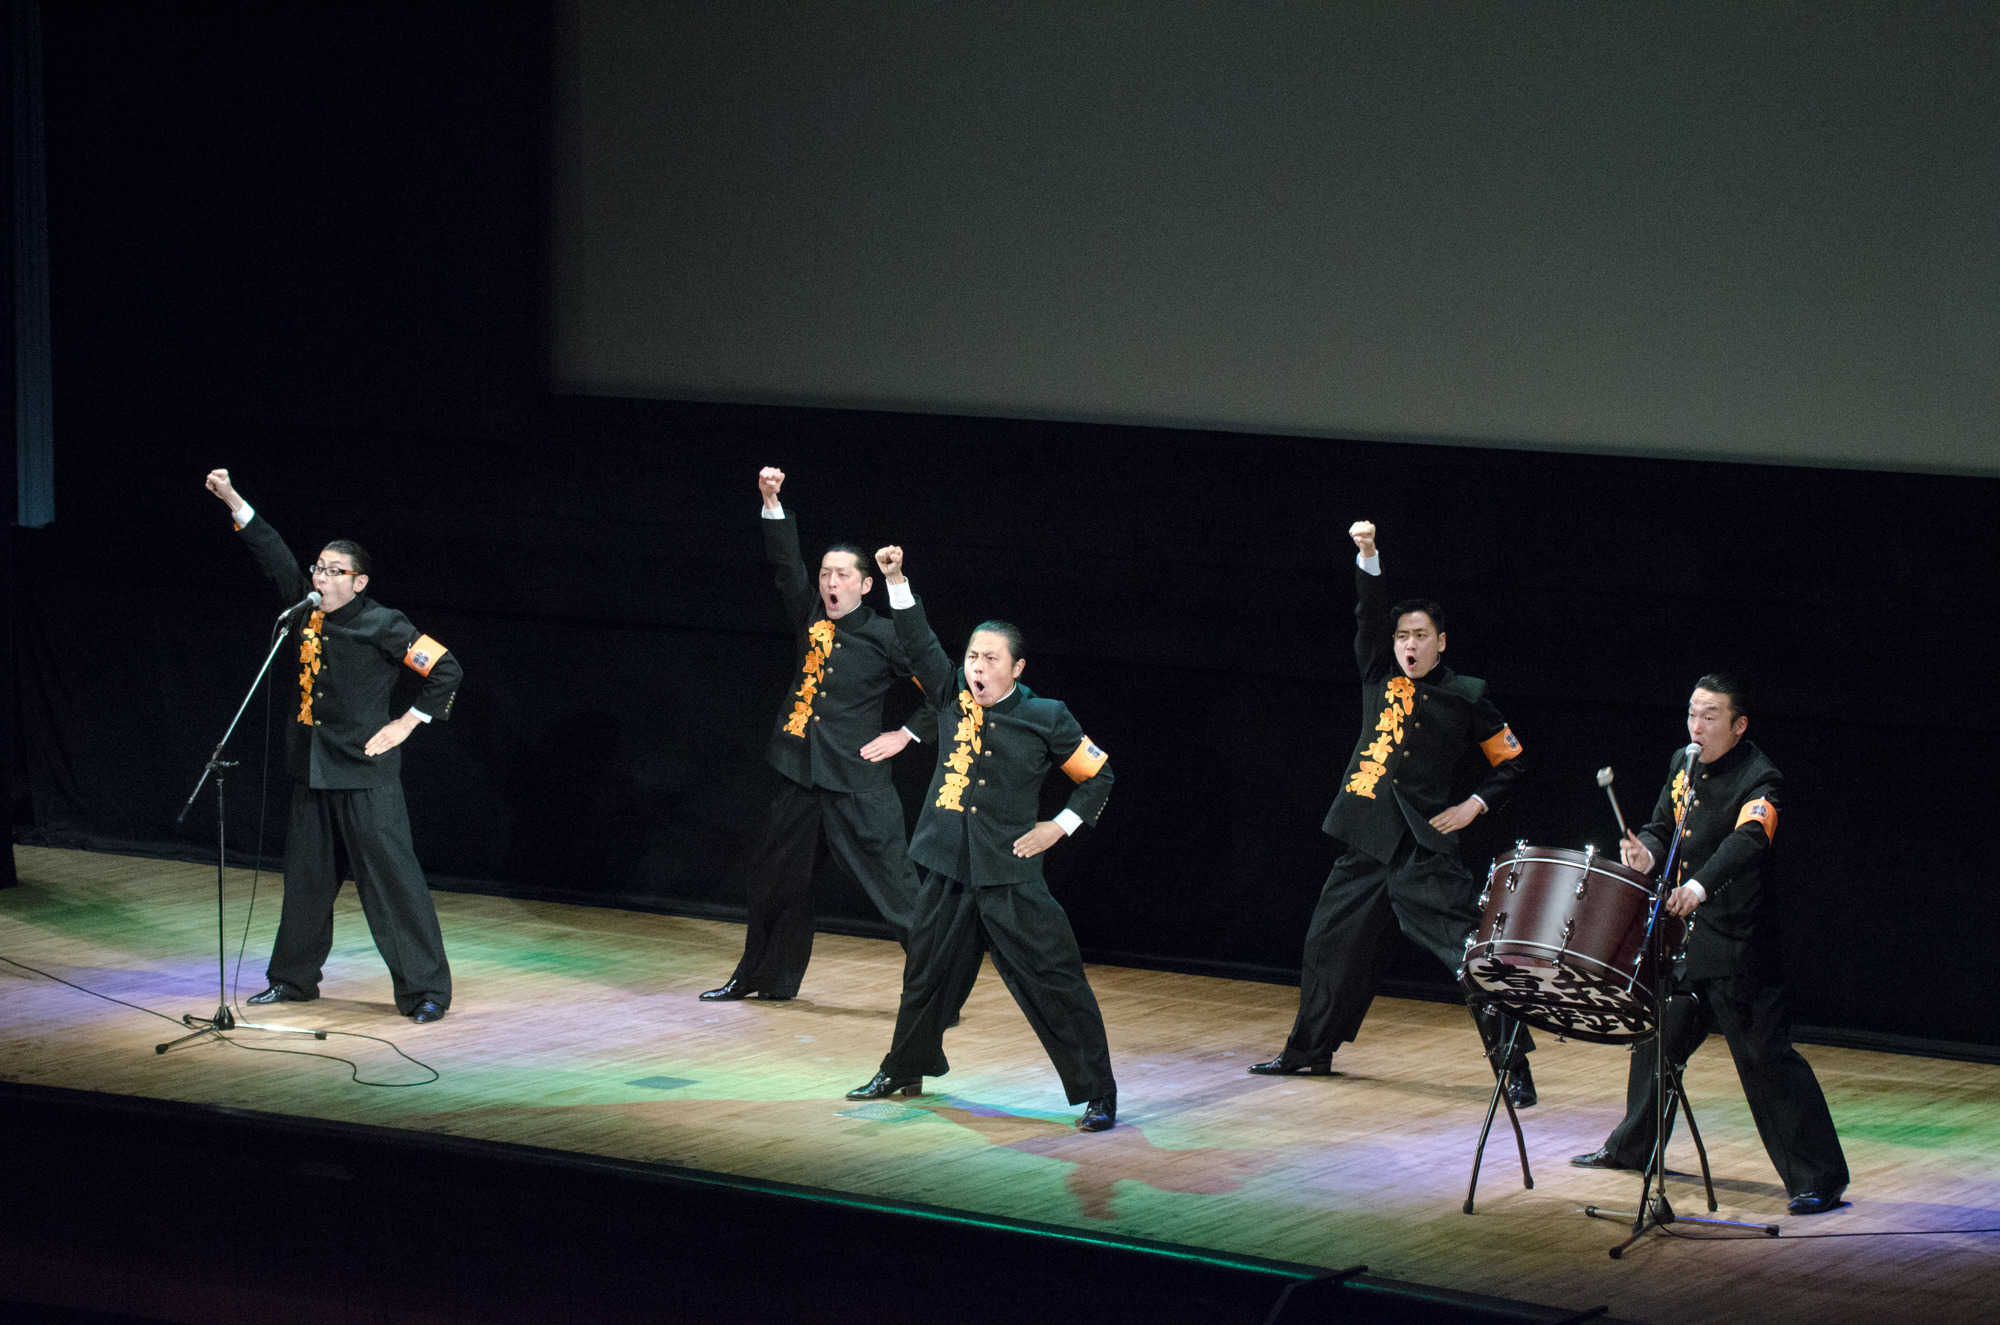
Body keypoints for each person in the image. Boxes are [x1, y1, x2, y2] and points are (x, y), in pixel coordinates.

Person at [1249, 520, 1537, 1105]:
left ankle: (1513, 1068)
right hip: (1366, 839)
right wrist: (1369, 555)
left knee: (1467, 952)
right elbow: (1367, 611)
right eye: (1402, 634)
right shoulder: (1378, 673)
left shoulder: (1469, 694)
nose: (1408, 643)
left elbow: (1511, 763)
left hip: (1424, 847)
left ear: (1441, 641)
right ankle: (1309, 1051)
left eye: (1420, 635)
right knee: (1329, 943)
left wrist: (1472, 806)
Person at [844, 544, 1119, 1132]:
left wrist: (1058, 826)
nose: (977, 668)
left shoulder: (1047, 716)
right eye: (972, 656)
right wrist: (895, 580)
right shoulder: (949, 696)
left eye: (990, 659)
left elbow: (1100, 777)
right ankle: (904, 1068)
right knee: (926, 974)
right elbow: (919, 642)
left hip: (1010, 873)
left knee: (1054, 980)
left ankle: (1098, 1092)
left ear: (1017, 668)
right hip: (947, 867)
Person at [1570, 676, 1849, 1216]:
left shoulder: (1762, 778)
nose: (1697, 727)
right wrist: (1647, 854)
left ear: (1738, 724)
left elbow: (1749, 841)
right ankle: (1632, 1147)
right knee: (1656, 1041)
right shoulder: (1684, 761)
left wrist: (1696, 888)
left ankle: (1819, 1178)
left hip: (1739, 944)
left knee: (1765, 1059)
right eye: (1693, 714)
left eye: (1710, 716)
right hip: (1684, 940)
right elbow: (1660, 827)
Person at [204, 468, 460, 1022]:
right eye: (318, 567)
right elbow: (271, 551)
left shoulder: (384, 625)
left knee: (392, 886)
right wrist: (232, 498)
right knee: (306, 885)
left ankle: (424, 992)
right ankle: (292, 980)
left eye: (333, 571)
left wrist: (406, 722)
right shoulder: (304, 613)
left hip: (365, 774)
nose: (320, 576)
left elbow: (446, 670)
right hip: (312, 772)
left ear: (359, 582)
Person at [700, 467, 928, 1002]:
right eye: (825, 573)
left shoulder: (886, 636)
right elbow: (785, 564)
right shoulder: (809, 615)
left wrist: (905, 735)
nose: (830, 583)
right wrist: (771, 500)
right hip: (800, 771)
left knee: (897, 892)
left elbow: (945, 693)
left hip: (857, 779)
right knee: (773, 878)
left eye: (842, 575)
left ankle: (938, 988)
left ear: (865, 584)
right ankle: (762, 976)